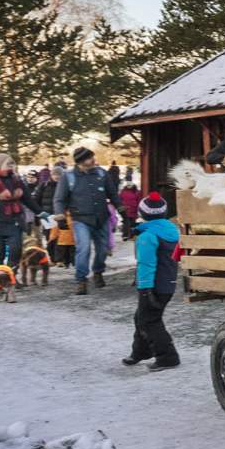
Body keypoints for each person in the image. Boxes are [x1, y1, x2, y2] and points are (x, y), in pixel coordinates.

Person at [125, 192, 180, 369]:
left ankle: (167, 357)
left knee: (150, 320)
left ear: (143, 213)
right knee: (141, 317)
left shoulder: (148, 236)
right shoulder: (171, 231)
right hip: (168, 284)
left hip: (154, 286)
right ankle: (141, 351)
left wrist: (145, 289)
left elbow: (146, 264)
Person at [59, 147, 114, 294]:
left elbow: (112, 193)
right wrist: (60, 215)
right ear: (81, 161)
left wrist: (120, 207)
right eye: (90, 158)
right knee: (84, 249)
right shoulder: (68, 177)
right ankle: (81, 280)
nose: (94, 160)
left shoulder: (102, 173)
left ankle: (98, 272)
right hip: (81, 219)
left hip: (101, 218)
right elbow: (60, 199)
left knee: (103, 249)